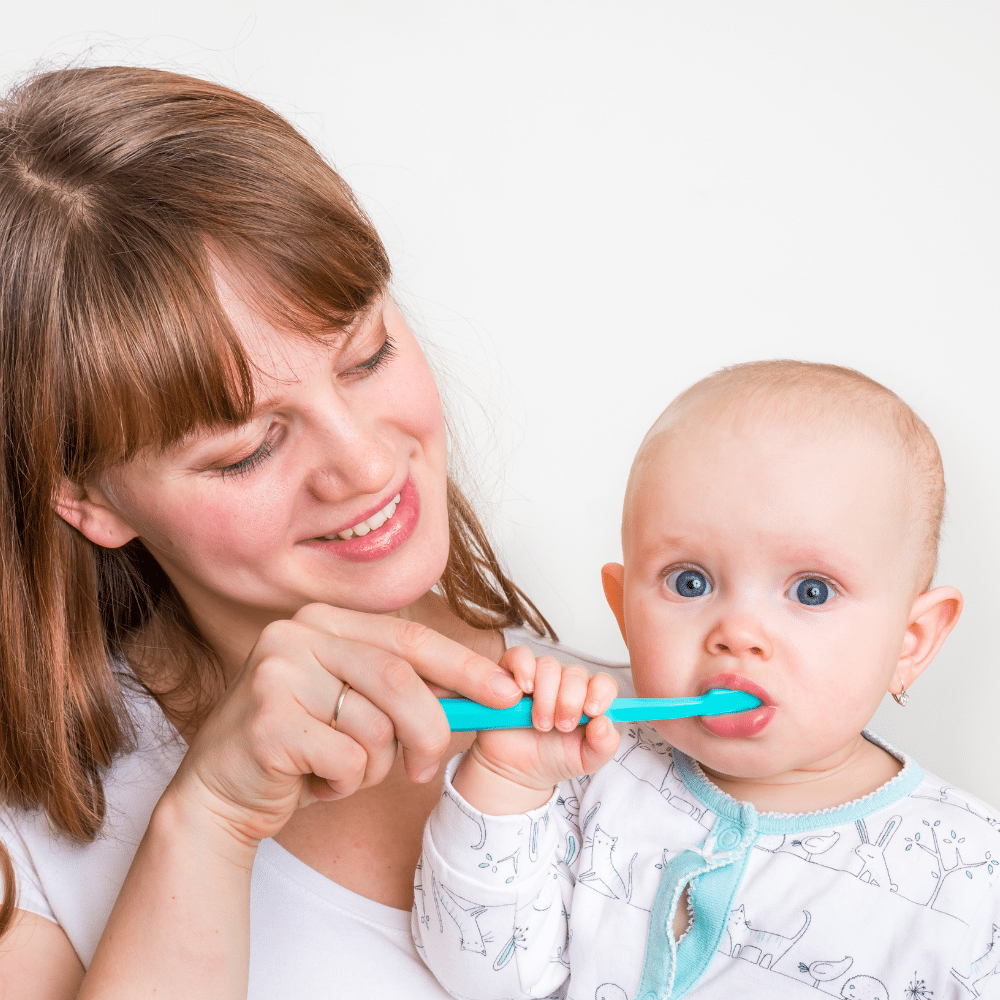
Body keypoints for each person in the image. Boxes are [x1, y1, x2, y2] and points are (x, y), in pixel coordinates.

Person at [0, 65, 631, 999]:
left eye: (366, 354)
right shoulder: (37, 835)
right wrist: (207, 821)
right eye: (247, 450)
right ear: (87, 499)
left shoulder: (649, 735)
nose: (368, 466)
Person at [413, 360, 1000, 1000]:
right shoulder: (587, 771)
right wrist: (506, 782)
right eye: (689, 582)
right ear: (624, 611)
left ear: (910, 643)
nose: (737, 632)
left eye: (811, 590)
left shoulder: (973, 879)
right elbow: (482, 979)